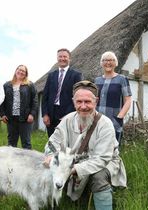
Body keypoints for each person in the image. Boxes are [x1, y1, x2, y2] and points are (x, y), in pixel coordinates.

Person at [43, 80, 127, 210]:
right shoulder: (67, 120)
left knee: (98, 177)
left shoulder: (105, 124)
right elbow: (51, 144)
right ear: (73, 102)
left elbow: (102, 158)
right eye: (79, 102)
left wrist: (75, 169)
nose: (83, 106)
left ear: (96, 101)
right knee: (48, 169)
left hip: (105, 162)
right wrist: (50, 157)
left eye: (87, 102)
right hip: (72, 162)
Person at [41, 48, 82, 137]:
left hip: (67, 112)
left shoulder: (76, 75)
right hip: (51, 113)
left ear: (69, 59)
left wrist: (69, 115)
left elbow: (78, 96)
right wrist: (45, 114)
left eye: (65, 56)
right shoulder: (51, 75)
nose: (62, 59)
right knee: (52, 140)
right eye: (60, 56)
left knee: (66, 140)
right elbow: (45, 96)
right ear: (57, 58)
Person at [95, 51, 132, 146]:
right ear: (101, 63)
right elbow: (94, 100)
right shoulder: (97, 80)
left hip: (114, 121)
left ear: (115, 63)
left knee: (113, 150)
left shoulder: (122, 79)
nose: (108, 62)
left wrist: (119, 117)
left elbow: (128, 100)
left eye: (111, 60)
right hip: (97, 120)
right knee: (97, 148)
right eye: (105, 60)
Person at [0, 65, 38, 149]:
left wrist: (32, 114)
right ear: (16, 70)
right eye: (19, 70)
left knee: (26, 143)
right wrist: (2, 114)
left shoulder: (30, 85)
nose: (21, 72)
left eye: (23, 71)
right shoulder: (6, 85)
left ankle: (27, 161)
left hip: (25, 118)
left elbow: (35, 100)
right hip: (11, 119)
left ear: (26, 74)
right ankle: (11, 162)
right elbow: (1, 100)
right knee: (11, 143)